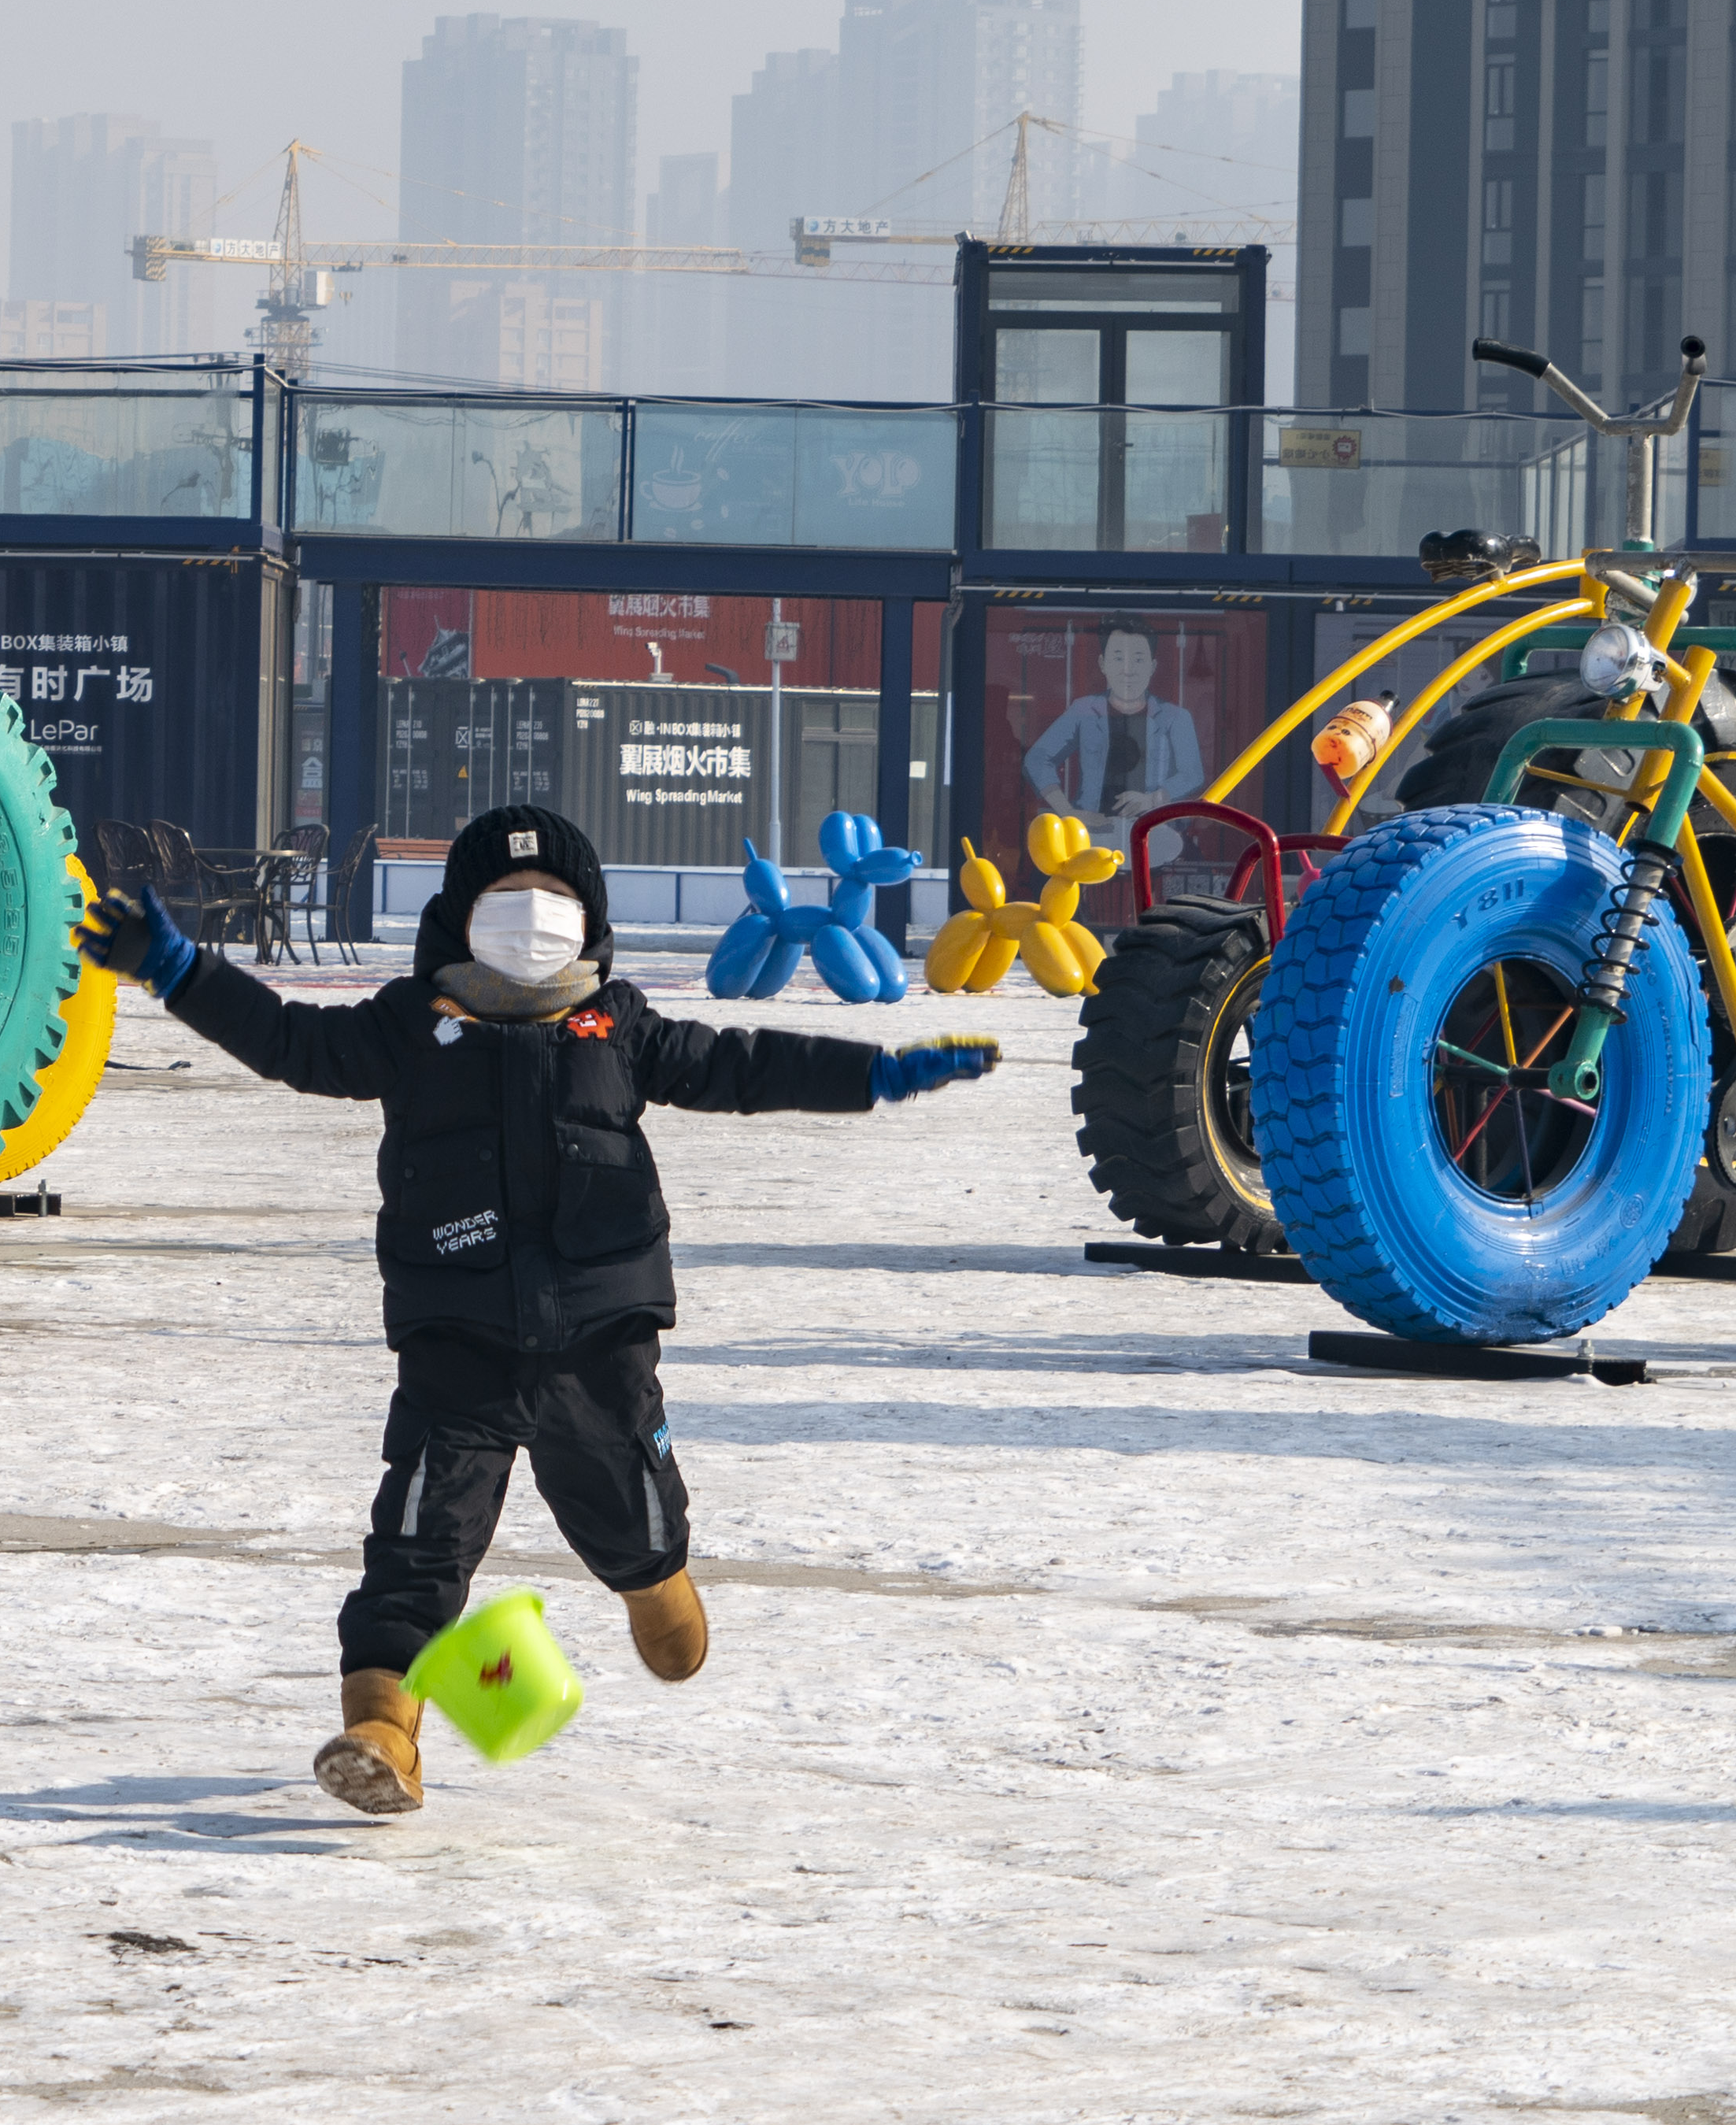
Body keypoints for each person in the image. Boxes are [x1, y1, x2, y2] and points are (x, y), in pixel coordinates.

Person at [87, 804, 996, 1817]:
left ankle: (655, 1584)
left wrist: (870, 1073)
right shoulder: (409, 1025)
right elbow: (292, 1041)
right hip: (457, 1336)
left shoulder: (621, 1024)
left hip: (598, 1342)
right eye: (505, 898)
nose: (532, 915)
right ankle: (382, 1727)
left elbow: (742, 1063)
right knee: (417, 1541)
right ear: (457, 915)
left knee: (631, 1514)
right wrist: (179, 970)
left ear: (590, 918)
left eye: (556, 899)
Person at [1019, 622, 1202, 826]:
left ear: (1153, 667)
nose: (1128, 670)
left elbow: (1192, 774)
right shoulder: (1083, 710)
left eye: (1138, 660)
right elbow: (1037, 758)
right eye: (1118, 658)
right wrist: (1068, 813)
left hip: (1157, 832)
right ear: (1102, 664)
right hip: (1091, 833)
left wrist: (1153, 799)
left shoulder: (1176, 717)